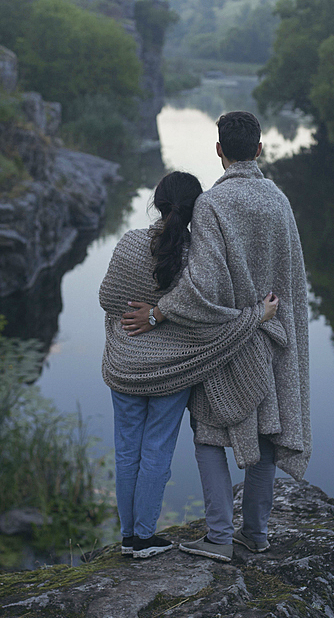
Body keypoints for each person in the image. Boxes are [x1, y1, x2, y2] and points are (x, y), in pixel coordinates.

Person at [121, 111, 310, 562]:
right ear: (259, 150)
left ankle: (219, 537)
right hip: (272, 337)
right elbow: (295, 282)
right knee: (266, 432)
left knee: (209, 433)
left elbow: (201, 284)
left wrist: (158, 314)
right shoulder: (279, 201)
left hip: (224, 339)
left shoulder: (212, 204)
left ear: (219, 151)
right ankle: (256, 534)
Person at [99, 170, 282, 560]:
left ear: (157, 202)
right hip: (173, 371)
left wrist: (136, 322)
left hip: (125, 368)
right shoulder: (200, 259)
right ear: (199, 208)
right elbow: (211, 315)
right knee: (156, 453)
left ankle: (129, 536)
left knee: (127, 452)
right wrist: (257, 316)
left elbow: (107, 299)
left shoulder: (131, 244)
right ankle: (145, 537)